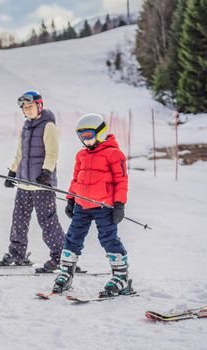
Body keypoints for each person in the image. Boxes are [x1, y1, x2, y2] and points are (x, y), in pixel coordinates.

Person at [52, 113, 131, 297]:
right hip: (82, 205)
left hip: (104, 206)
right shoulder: (81, 155)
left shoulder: (114, 154)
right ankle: (66, 273)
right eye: (81, 136)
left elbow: (121, 181)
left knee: (108, 238)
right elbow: (76, 179)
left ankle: (121, 276)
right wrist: (71, 199)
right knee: (73, 237)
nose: (84, 140)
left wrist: (120, 204)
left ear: (100, 133)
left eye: (88, 135)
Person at [0, 91, 65, 273]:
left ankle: (61, 256)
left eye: (30, 106)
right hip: (24, 183)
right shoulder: (26, 127)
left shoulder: (49, 126)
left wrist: (46, 173)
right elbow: (20, 154)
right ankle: (17, 254)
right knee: (19, 218)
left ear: (39, 106)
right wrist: (12, 172)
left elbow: (52, 153)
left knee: (47, 220)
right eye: (25, 108)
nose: (27, 110)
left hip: (41, 183)